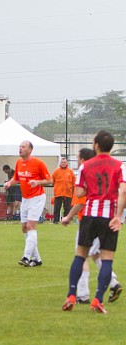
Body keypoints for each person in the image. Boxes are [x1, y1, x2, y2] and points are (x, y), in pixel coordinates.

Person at [62, 131, 126, 313]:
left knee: (80, 255)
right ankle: (98, 299)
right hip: (109, 216)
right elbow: (123, 192)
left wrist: (92, 188)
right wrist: (118, 216)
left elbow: (80, 193)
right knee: (107, 260)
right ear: (111, 146)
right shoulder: (119, 166)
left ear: (96, 145)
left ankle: (72, 295)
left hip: (90, 215)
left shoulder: (85, 166)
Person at [4, 141, 52, 267]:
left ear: (30, 150)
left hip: (37, 198)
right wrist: (9, 183)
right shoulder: (19, 162)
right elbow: (16, 178)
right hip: (25, 199)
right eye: (19, 146)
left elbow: (49, 179)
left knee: (31, 226)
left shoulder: (38, 163)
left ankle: (26, 257)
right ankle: (37, 259)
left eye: (23, 147)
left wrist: (38, 182)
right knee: (24, 228)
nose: (20, 149)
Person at [51, 157, 75, 224]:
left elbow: (73, 182)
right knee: (56, 208)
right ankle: (55, 221)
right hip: (58, 193)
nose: (63, 163)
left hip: (68, 193)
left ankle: (66, 221)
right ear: (60, 163)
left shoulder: (70, 172)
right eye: (62, 162)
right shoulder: (56, 172)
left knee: (67, 208)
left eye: (64, 162)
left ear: (67, 163)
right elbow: (53, 181)